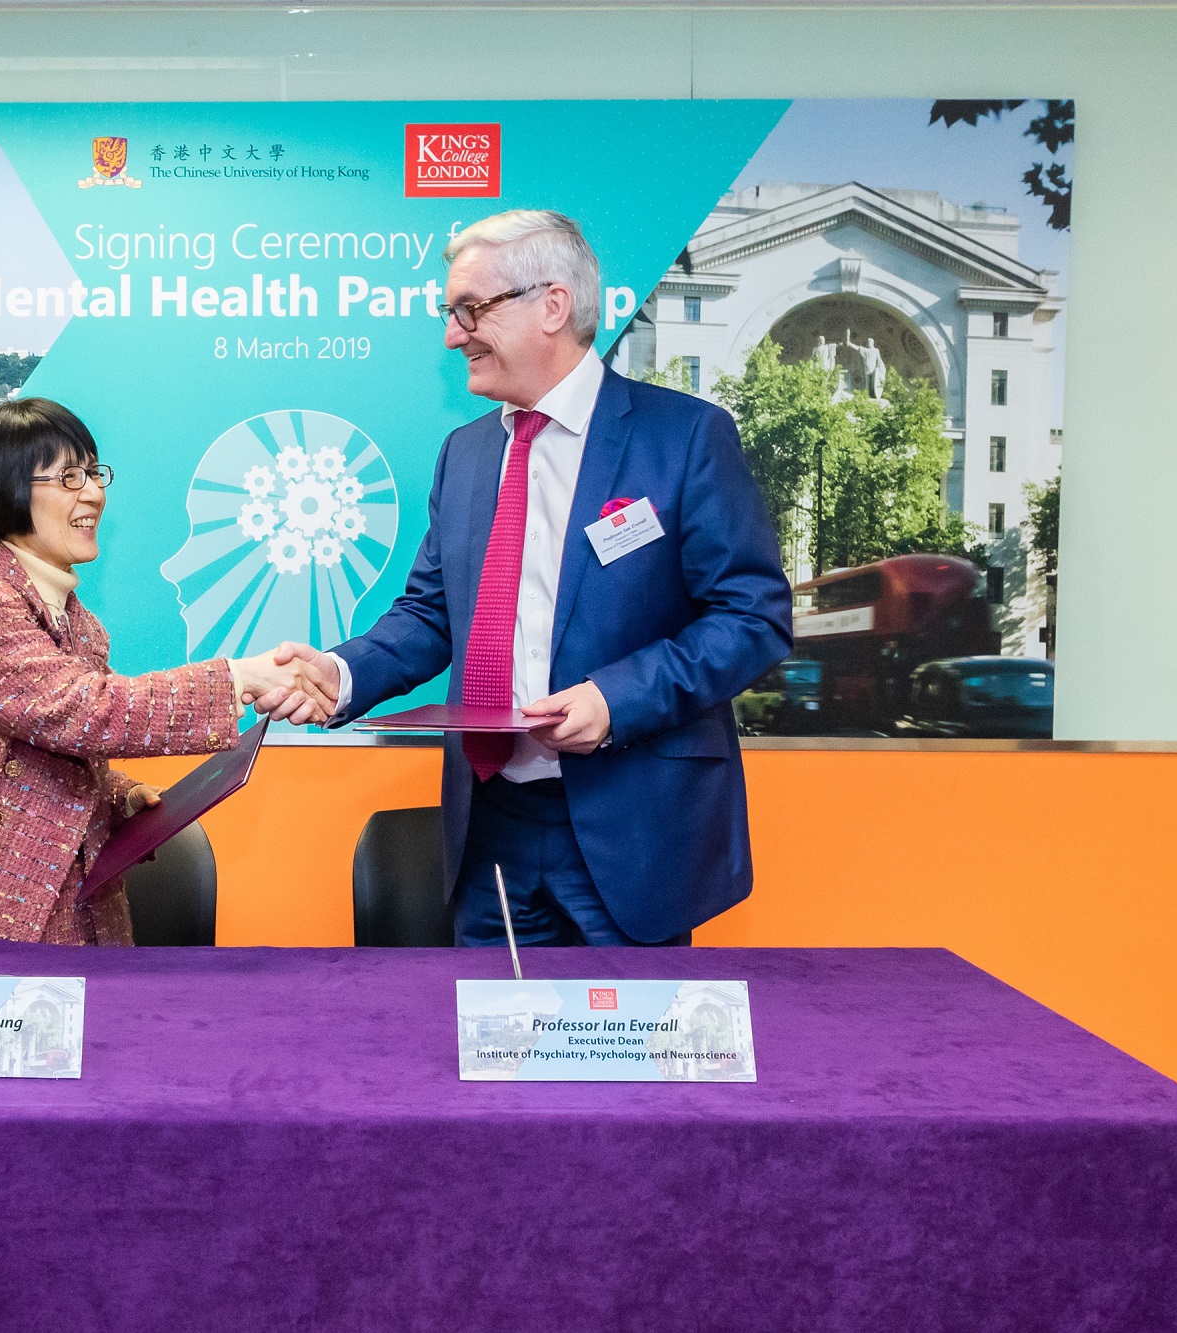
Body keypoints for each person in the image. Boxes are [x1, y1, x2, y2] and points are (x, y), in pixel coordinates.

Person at [257, 210, 793, 948]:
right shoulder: (466, 453)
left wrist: (617, 697)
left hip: (632, 828)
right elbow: (431, 615)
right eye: (451, 313)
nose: (454, 334)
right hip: (490, 830)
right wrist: (340, 673)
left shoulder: (685, 437)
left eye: (471, 309)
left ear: (553, 303)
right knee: (496, 1054)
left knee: (629, 1059)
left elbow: (752, 617)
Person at [0, 398, 323, 944]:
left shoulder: (81, 626)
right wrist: (238, 678)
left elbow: (53, 753)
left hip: (71, 915)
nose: (93, 492)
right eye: (69, 477)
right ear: (6, 487)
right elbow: (78, 710)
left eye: (93, 472)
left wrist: (119, 795)